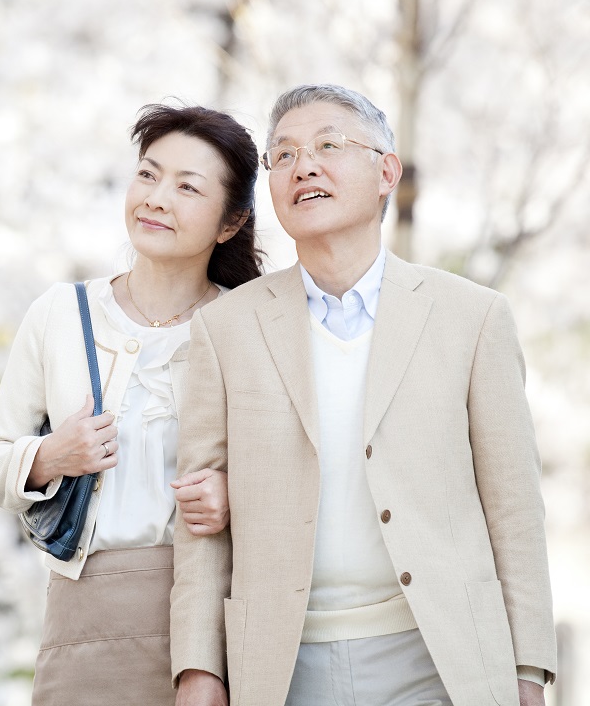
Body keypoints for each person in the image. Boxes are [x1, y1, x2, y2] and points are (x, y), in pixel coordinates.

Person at [170, 84, 557, 706]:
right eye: (285, 155)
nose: (306, 166)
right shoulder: (225, 329)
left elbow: (514, 509)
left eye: (329, 145)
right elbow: (198, 518)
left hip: (440, 656)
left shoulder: (471, 317)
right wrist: (199, 671)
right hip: (279, 664)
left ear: (387, 172)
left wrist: (529, 671)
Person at [0, 103, 262, 705]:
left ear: (230, 224)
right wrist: (50, 456)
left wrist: (240, 492)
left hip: (218, 616)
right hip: (84, 617)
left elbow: (300, 471)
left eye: (187, 187)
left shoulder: (250, 326)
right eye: (148, 174)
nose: (156, 198)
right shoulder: (61, 313)